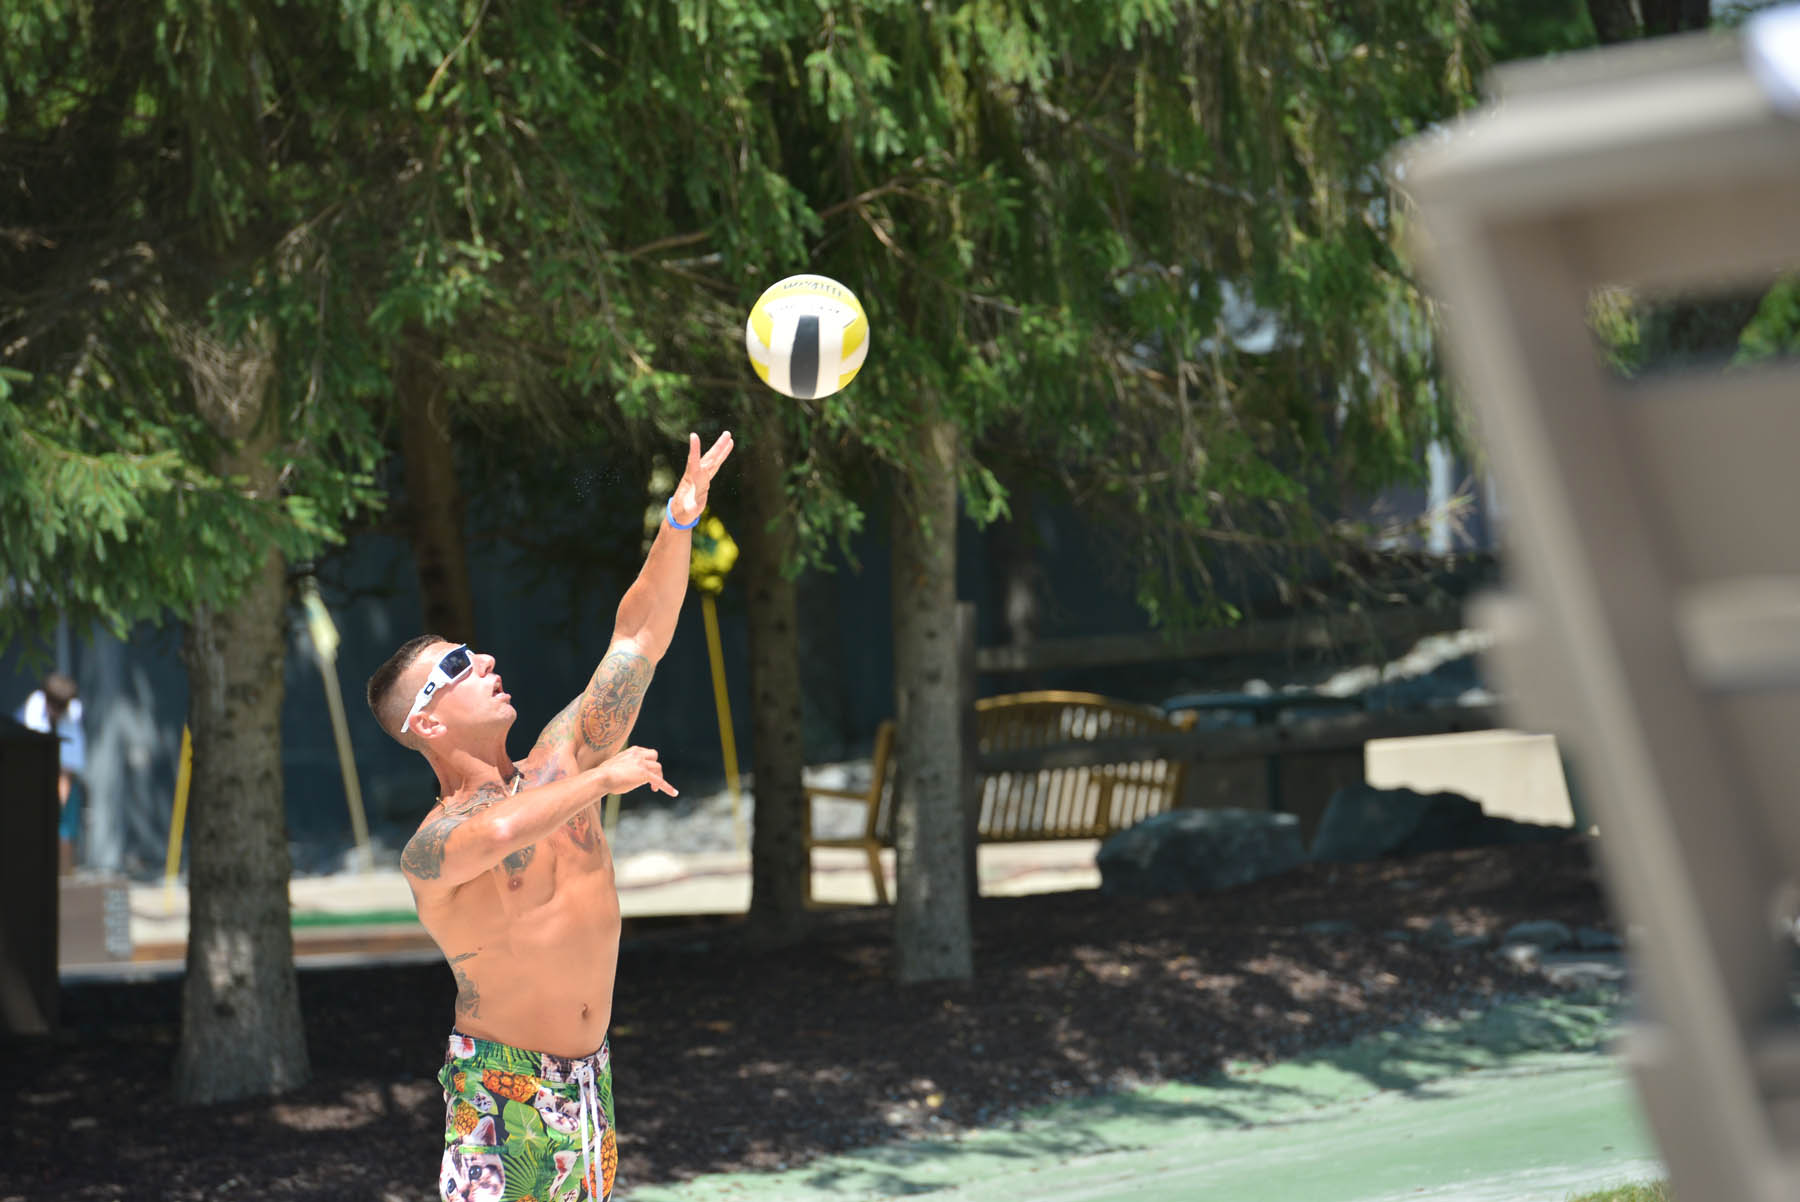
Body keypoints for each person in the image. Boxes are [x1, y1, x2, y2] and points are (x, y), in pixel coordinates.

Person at [365, 431, 733, 1202]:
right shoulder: (433, 847)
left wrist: (678, 526)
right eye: (458, 668)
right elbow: (499, 832)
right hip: (506, 1098)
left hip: (592, 1085)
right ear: (426, 724)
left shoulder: (562, 760)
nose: (486, 661)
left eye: (475, 651)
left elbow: (638, 638)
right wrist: (607, 776)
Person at [17, 672, 86, 874]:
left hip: (61, 779)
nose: (57, 712)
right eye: (54, 707)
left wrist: (57, 805)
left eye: (61, 708)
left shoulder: (72, 716)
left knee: (64, 827)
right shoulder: (31, 711)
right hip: (28, 776)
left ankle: (64, 877)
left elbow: (66, 772)